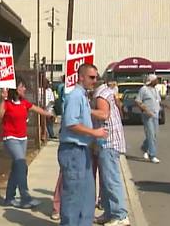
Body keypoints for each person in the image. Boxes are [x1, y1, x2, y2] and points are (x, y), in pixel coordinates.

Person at [58, 63, 107, 226]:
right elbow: (71, 123)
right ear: (81, 77)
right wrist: (95, 133)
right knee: (73, 196)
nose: (95, 80)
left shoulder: (83, 96)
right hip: (73, 151)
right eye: (92, 77)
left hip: (82, 150)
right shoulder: (75, 96)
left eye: (96, 77)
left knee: (87, 195)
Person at [0, 77, 54, 209]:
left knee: (17, 167)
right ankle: (25, 198)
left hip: (23, 139)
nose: (24, 89)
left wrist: (49, 114)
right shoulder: (7, 103)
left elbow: (35, 108)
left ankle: (9, 198)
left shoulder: (23, 102)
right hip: (10, 138)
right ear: (15, 88)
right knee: (22, 164)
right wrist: (3, 99)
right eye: (22, 86)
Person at [91, 78, 130, 226]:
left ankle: (120, 215)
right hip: (106, 142)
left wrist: (86, 109)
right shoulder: (107, 92)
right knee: (106, 181)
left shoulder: (101, 95)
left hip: (109, 142)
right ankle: (109, 212)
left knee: (111, 180)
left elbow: (103, 114)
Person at [135, 74, 170, 163]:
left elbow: (157, 101)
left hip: (156, 115)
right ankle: (152, 155)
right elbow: (138, 101)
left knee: (154, 135)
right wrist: (146, 110)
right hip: (148, 116)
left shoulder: (155, 90)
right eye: (156, 80)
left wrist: (165, 106)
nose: (157, 81)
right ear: (151, 81)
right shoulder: (144, 89)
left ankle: (144, 147)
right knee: (151, 135)